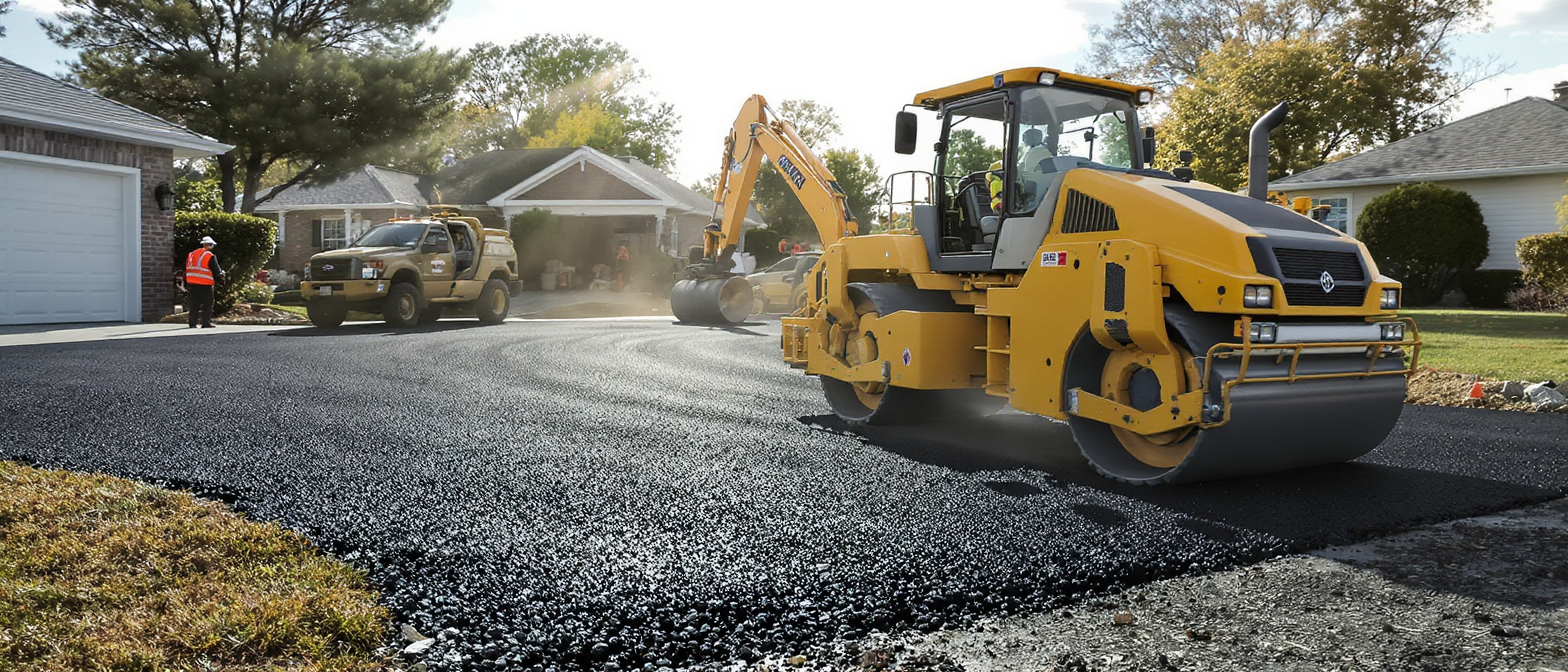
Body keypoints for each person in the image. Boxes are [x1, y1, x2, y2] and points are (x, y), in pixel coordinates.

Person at [185, 236, 224, 328]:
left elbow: (187, 267)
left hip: (192, 283)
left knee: (194, 304)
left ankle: (192, 323)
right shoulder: (209, 255)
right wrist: (221, 280)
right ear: (209, 245)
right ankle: (206, 323)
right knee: (208, 303)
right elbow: (216, 270)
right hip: (204, 283)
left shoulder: (192, 254)